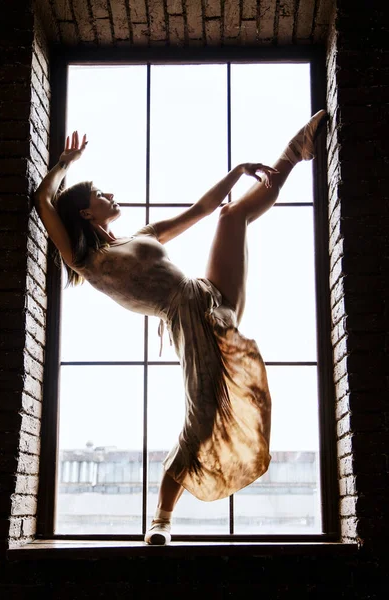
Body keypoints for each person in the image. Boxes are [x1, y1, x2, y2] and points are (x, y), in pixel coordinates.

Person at [34, 109, 328, 545]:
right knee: (202, 416)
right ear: (84, 212)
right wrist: (65, 164)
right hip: (187, 322)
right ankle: (162, 520)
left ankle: (295, 149)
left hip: (207, 294)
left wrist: (239, 170)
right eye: (99, 193)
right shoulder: (85, 261)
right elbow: (42, 202)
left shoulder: (142, 235)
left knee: (231, 216)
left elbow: (202, 209)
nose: (110, 194)